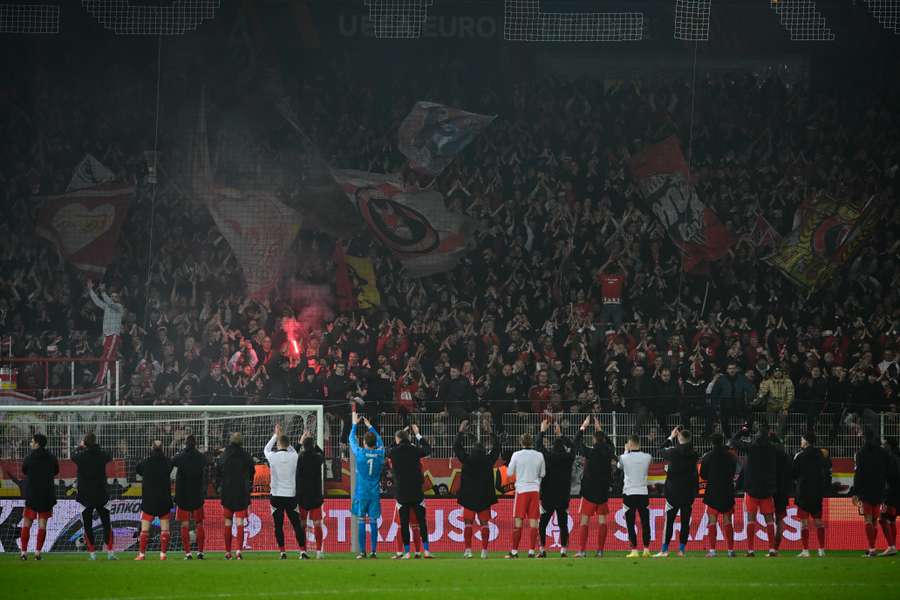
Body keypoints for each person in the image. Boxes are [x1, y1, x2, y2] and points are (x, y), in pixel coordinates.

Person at [454, 419, 501, 559]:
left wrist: (460, 432)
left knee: (468, 523)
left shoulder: (467, 460)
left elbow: (457, 447)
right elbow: (497, 449)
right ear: (484, 451)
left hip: (468, 497)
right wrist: (491, 432)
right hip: (484, 497)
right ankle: (484, 551)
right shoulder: (488, 460)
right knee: (484, 523)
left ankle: (468, 550)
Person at [729, 423, 778, 557]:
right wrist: (775, 437)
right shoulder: (772, 448)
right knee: (769, 519)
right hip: (767, 489)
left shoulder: (751, 447)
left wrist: (742, 431)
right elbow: (782, 448)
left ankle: (750, 550)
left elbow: (733, 442)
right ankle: (772, 549)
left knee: (751, 519)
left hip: (751, 488)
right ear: (768, 435)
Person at [388, 422, 433, 559]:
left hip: (402, 492)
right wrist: (418, 434)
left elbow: (388, 449)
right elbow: (427, 449)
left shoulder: (394, 452)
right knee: (421, 522)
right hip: (416, 491)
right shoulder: (414, 450)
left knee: (404, 523)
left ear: (397, 439)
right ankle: (426, 551)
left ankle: (406, 552)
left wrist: (398, 438)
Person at [573, 416, 615, 558]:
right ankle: (600, 551)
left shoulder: (590, 452)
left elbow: (577, 443)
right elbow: (612, 445)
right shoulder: (609, 452)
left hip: (589, 491)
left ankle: (582, 550)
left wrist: (583, 427)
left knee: (585, 520)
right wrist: (601, 430)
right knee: (602, 521)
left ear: (593, 439)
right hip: (603, 491)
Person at [264, 423, 306, 559]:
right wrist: (283, 438)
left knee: (278, 525)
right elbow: (295, 449)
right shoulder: (294, 456)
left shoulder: (272, 456)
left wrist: (276, 435)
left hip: (276, 496)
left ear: (278, 444)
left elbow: (266, 448)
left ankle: (282, 552)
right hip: (291, 496)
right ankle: (302, 551)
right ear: (288, 445)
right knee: (296, 525)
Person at [534, 419, 574, 558]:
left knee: (543, 524)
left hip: (547, 497)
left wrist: (542, 430)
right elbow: (574, 447)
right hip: (563, 496)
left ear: (552, 448)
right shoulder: (568, 458)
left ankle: (542, 549)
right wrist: (560, 435)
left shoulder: (548, 457)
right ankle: (563, 550)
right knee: (563, 524)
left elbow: (538, 446)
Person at [656, 427, 699, 557]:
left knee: (669, 522)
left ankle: (664, 550)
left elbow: (660, 450)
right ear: (689, 439)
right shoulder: (694, 454)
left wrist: (670, 437)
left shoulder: (673, 452)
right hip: (688, 493)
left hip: (673, 492)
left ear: (679, 439)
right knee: (685, 522)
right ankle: (681, 550)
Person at [73, 432, 115, 560]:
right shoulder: (102, 455)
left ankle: (92, 554)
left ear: (84, 443)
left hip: (85, 496)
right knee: (106, 524)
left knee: (88, 525)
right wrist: (96, 447)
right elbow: (109, 456)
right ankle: (110, 553)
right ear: (95, 442)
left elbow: (72, 456)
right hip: (101, 494)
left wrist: (80, 447)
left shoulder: (81, 456)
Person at [349, 410, 385, 559]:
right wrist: (370, 427)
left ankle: (362, 552)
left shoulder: (360, 452)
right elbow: (381, 441)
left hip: (361, 493)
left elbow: (351, 439)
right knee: (374, 521)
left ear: (364, 443)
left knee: (360, 521)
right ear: (374, 443)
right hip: (374, 493)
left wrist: (354, 425)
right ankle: (374, 551)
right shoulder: (380, 453)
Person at [505, 432, 546, 558]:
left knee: (518, 521)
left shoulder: (516, 455)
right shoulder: (539, 455)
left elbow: (509, 472)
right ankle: (531, 551)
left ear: (521, 442)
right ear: (532, 442)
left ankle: (514, 551)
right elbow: (543, 474)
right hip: (534, 490)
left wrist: (520, 471)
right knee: (534, 522)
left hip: (522, 490)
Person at [852, 429, 892, 557]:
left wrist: (855, 492)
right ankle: (872, 548)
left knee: (868, 520)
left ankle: (872, 548)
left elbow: (858, 474)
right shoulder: (883, 453)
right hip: (879, 489)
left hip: (865, 490)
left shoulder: (861, 453)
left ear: (864, 437)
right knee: (874, 520)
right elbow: (887, 471)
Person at [19, 433, 58, 561]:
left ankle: (23, 552)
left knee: (27, 523)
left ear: (37, 443)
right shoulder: (52, 458)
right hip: (46, 495)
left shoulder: (29, 458)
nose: (31, 444)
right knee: (42, 525)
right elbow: (56, 471)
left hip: (32, 495)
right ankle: (37, 552)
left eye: (32, 441)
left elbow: (24, 470)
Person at [792, 432, 831, 557]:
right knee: (818, 521)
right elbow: (827, 469)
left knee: (804, 523)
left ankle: (805, 550)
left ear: (806, 441)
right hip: (817, 493)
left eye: (802, 440)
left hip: (803, 493)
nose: (801, 442)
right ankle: (821, 549)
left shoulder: (800, 456)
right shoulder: (821, 455)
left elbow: (793, 474)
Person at [217, 432, 255, 560]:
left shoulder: (224, 455)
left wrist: (219, 486)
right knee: (240, 522)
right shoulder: (246, 455)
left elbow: (218, 470)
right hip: (241, 493)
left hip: (227, 492)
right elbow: (252, 472)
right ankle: (239, 551)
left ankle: (227, 552)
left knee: (228, 522)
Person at [700, 433, 738, 557]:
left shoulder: (707, 457)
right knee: (727, 521)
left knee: (712, 521)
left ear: (712, 443)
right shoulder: (731, 456)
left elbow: (703, 475)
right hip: (727, 491)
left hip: (712, 492)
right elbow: (733, 472)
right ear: (722, 442)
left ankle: (712, 550)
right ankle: (730, 550)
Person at [135, 441, 173, 561]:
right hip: (164, 499)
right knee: (165, 529)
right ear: (162, 449)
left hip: (149, 500)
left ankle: (141, 554)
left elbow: (138, 469)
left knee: (145, 529)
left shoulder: (145, 462)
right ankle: (163, 554)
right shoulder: (167, 462)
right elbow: (170, 468)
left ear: (151, 448)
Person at [173, 434, 207, 560]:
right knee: (199, 524)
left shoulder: (181, 457)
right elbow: (207, 461)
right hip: (197, 495)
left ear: (186, 444)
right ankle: (200, 552)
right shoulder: (200, 457)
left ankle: (187, 553)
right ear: (196, 444)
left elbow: (173, 461)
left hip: (183, 496)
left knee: (185, 525)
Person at [619, 434, 652, 558]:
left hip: (629, 493)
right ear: (640, 444)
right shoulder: (648, 457)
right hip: (643, 492)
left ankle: (634, 550)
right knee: (645, 522)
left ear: (630, 444)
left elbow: (619, 466)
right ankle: (646, 549)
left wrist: (626, 451)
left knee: (630, 523)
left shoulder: (624, 457)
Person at [87, 279, 124, 386]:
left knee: (105, 358)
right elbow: (97, 302)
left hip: (113, 336)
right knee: (110, 360)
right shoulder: (108, 306)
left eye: (115, 297)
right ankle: (118, 381)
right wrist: (90, 290)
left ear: (118, 298)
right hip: (106, 337)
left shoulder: (119, 307)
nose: (112, 298)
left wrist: (103, 292)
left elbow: (110, 303)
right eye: (111, 296)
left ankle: (99, 381)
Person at [295, 431, 326, 559]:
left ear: (303, 446)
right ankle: (319, 551)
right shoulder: (317, 457)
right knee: (317, 524)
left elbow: (292, 454)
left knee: (302, 524)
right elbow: (323, 454)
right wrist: (315, 445)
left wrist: (299, 442)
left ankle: (303, 551)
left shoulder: (300, 457)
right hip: (315, 496)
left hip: (302, 496)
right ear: (312, 446)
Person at [771, 434, 793, 554]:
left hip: (770, 491)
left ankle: (771, 549)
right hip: (783, 492)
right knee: (779, 520)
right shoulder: (786, 456)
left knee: (770, 519)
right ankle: (775, 548)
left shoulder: (770, 456)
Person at [878, 437, 900, 556]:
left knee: (882, 518)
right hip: (897, 494)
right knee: (891, 519)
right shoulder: (897, 457)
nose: (883, 446)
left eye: (885, 444)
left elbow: (891, 476)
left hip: (891, 494)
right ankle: (893, 546)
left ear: (889, 446)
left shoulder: (891, 458)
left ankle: (891, 546)